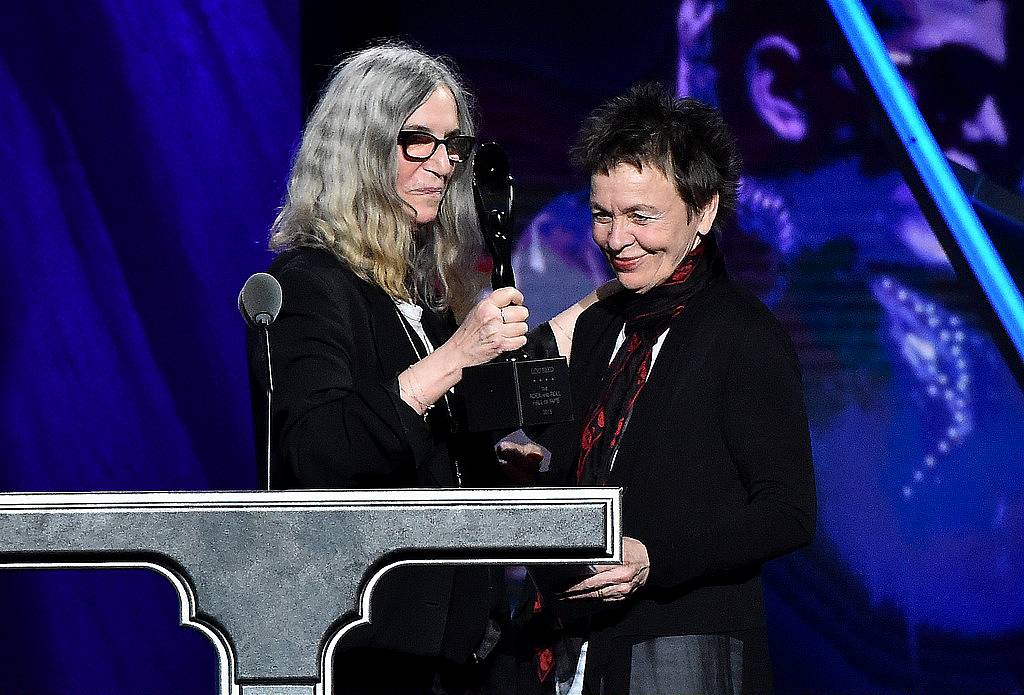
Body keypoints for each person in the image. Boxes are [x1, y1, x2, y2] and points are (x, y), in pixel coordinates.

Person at [254, 43, 530, 694]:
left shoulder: (422, 297)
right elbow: (317, 453)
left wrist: (492, 461)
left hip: (453, 658)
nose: (443, 164)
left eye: (451, 145)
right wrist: (455, 356)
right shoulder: (309, 284)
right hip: (364, 658)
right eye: (419, 143)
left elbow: (427, 460)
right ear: (363, 148)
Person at [526, 83, 817, 695]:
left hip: (685, 649)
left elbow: (787, 512)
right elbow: (568, 472)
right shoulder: (599, 324)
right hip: (576, 647)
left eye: (641, 215)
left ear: (703, 213)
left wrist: (652, 558)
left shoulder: (743, 335)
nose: (616, 238)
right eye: (603, 214)